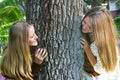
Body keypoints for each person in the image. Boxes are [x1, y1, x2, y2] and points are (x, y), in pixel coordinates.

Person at [80, 6, 118, 80]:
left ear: (98, 30)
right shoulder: (94, 24)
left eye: (90, 27)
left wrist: (87, 49)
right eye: (84, 22)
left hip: (94, 74)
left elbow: (99, 69)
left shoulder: (97, 44)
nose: (84, 27)